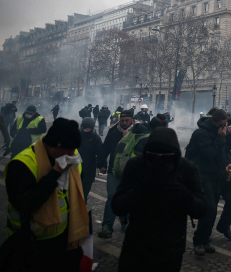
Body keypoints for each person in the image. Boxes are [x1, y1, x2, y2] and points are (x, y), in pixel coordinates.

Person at [112, 127, 207, 271]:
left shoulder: (186, 169)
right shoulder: (136, 165)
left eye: (167, 158)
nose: (160, 162)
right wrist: (141, 190)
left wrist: (184, 195)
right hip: (137, 244)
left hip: (171, 246)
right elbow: (117, 206)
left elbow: (201, 210)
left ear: (175, 156)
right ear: (146, 155)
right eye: (154, 158)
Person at [3, 117, 88, 272]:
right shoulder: (22, 164)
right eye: (69, 150)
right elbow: (25, 204)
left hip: (65, 237)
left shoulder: (70, 155)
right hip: (32, 241)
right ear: (55, 145)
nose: (72, 154)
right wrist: (54, 174)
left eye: (74, 149)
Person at [186, 108, 231, 254]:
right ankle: (200, 241)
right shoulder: (201, 133)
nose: (224, 126)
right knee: (210, 209)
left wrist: (230, 134)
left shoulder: (223, 130)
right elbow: (209, 154)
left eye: (226, 124)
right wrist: (221, 138)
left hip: (223, 172)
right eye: (222, 124)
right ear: (214, 121)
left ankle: (221, 228)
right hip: (205, 174)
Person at [97, 109, 135, 238]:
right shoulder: (113, 131)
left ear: (132, 119)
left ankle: (126, 223)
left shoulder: (138, 132)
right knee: (112, 197)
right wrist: (102, 164)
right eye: (122, 120)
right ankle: (107, 226)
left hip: (131, 173)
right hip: (114, 170)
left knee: (129, 198)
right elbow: (105, 148)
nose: (124, 123)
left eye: (127, 120)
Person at [78, 117, 103, 202]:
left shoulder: (96, 138)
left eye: (89, 128)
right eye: (85, 128)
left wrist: (102, 165)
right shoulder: (75, 135)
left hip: (89, 168)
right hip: (75, 167)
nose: (87, 130)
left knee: (84, 193)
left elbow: (100, 153)